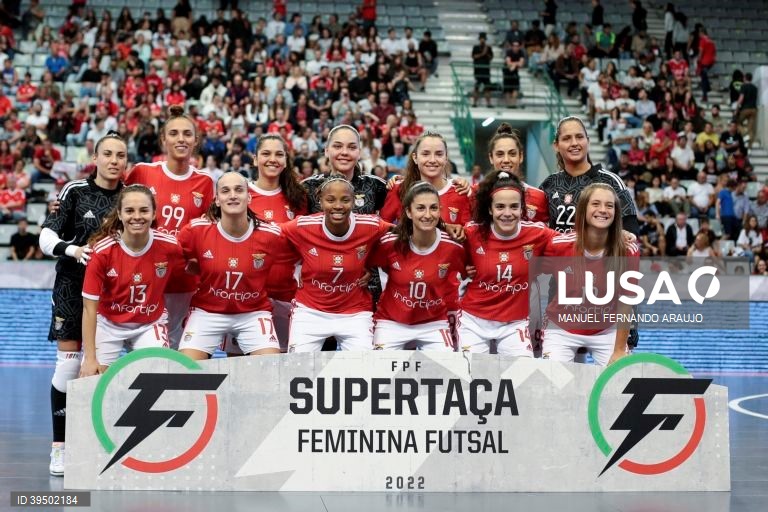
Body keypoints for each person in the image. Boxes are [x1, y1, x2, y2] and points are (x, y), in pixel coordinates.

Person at [38, 132, 126, 477]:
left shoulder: (131, 198)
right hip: (73, 288)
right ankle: (59, 448)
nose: (114, 160)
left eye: (120, 155)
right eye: (108, 154)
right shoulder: (75, 192)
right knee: (69, 365)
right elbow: (46, 236)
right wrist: (73, 251)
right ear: (95, 157)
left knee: (103, 368)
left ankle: (96, 442)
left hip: (113, 292)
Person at [125, 106, 215, 349]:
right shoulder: (143, 172)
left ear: (195, 141)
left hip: (182, 278)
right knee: (136, 341)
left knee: (172, 344)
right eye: (173, 133)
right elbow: (112, 202)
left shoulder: (205, 182)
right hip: (142, 273)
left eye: (187, 134)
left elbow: (208, 231)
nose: (181, 139)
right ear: (163, 139)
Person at [176, 172, 284, 360]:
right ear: (217, 200)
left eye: (239, 190)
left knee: (271, 370)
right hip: (207, 311)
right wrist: (194, 266)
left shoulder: (272, 234)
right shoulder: (196, 230)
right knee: (185, 371)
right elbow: (168, 253)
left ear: (249, 197)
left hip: (253, 312)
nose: (233, 195)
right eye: (225, 191)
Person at [79, 185, 184, 376]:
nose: (137, 216)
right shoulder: (102, 251)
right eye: (129, 211)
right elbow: (89, 308)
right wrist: (90, 358)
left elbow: (187, 276)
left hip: (149, 324)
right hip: (109, 324)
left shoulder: (170, 247)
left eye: (144, 210)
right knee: (92, 378)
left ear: (153, 214)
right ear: (119, 214)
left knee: (160, 374)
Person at [281, 176, 390, 352]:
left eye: (345, 200)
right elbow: (268, 234)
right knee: (296, 368)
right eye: (330, 200)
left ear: (354, 201)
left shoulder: (371, 225)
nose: (338, 206)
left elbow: (404, 233)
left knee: (366, 368)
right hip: (310, 311)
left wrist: (370, 261)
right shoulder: (302, 225)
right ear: (320, 201)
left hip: (355, 313)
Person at [460, 171, 559, 355]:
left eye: (514, 207)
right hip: (472, 321)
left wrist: (617, 235)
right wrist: (464, 268)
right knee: (469, 376)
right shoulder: (472, 232)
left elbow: (572, 243)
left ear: (522, 209)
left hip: (514, 324)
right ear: (490, 209)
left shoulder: (538, 233)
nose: (507, 213)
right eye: (500, 207)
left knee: (520, 379)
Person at [542, 183, 639, 366]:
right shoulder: (558, 245)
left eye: (609, 206)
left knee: (618, 383)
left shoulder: (628, 250)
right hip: (561, 327)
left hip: (605, 330)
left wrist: (619, 351)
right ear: (583, 209)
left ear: (616, 213)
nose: (603, 210)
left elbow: (626, 303)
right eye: (595, 204)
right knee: (553, 385)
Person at [368, 182, 465, 350]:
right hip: (391, 322)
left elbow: (472, 270)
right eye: (420, 208)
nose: (428, 215)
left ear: (440, 210)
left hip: (433, 323)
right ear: (408, 212)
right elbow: (364, 261)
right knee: (379, 371)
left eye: (433, 208)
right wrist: (365, 273)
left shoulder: (453, 247)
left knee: (448, 370)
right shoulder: (390, 243)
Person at [246, 134, 308, 350]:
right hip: (247, 297)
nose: (272, 159)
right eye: (266, 154)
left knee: (283, 364)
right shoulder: (241, 193)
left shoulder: (299, 197)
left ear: (286, 160)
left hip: (287, 295)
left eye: (279, 154)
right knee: (237, 364)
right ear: (255, 159)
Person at [380, 132, 473, 227]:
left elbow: (467, 236)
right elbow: (381, 229)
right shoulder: (398, 188)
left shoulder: (460, 191)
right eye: (425, 154)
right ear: (415, 158)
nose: (432, 160)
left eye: (439, 154)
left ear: (446, 158)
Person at [486, 123, 549, 223]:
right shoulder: (476, 194)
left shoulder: (538, 197)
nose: (506, 160)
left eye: (512, 154)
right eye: (500, 154)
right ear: (491, 158)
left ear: (521, 156)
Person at [471, 32, 493, 107]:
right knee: (476, 87)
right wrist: (482, 54)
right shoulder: (476, 47)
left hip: (486, 70)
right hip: (478, 70)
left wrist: (486, 53)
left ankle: (489, 103)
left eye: (483, 39)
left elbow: (490, 58)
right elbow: (474, 56)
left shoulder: (488, 48)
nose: (482, 40)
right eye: (481, 39)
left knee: (487, 88)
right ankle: (474, 103)